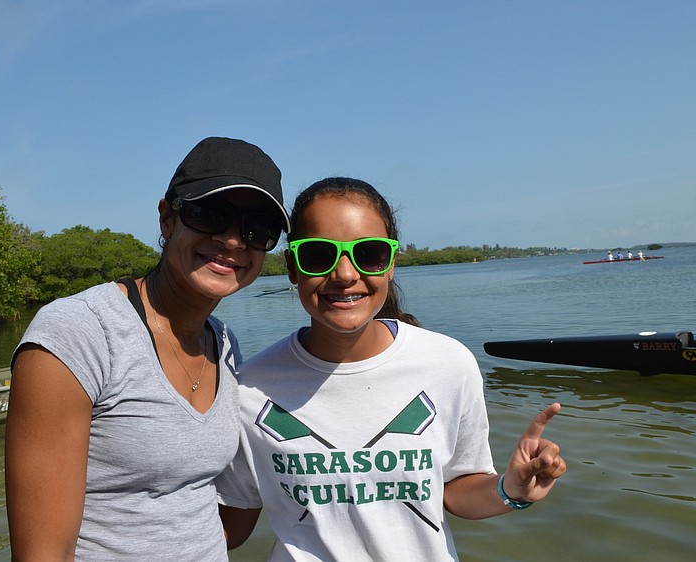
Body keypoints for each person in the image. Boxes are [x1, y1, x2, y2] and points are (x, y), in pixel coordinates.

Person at [217, 177, 566, 561]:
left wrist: (510, 489)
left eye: (369, 254)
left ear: (391, 264)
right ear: (292, 267)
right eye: (318, 255)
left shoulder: (448, 365)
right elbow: (231, 525)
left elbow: (456, 491)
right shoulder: (251, 388)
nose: (345, 274)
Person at [4, 137, 290, 560]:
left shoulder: (225, 343)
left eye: (258, 229)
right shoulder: (80, 333)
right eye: (210, 214)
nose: (233, 241)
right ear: (167, 219)